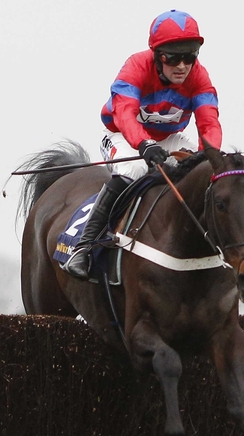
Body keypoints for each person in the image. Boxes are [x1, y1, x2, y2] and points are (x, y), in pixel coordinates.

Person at [62, 10, 223, 279]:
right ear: (158, 55)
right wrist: (144, 144)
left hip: (168, 138)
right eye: (174, 57)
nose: (182, 66)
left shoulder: (200, 77)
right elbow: (124, 113)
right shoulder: (136, 66)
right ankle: (83, 248)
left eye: (190, 56)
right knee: (134, 170)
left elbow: (209, 123)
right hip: (122, 135)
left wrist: (213, 155)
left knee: (203, 171)